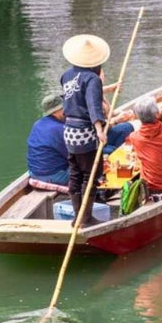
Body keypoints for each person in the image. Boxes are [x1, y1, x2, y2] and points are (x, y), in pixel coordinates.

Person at [26, 93, 132, 188]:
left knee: (124, 129)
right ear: (57, 112)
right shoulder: (59, 129)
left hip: (37, 171)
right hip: (55, 174)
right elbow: (77, 156)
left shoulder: (38, 124)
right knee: (108, 152)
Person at [59, 33, 112, 223]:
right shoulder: (92, 78)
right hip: (84, 132)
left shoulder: (67, 75)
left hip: (69, 130)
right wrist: (99, 129)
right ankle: (86, 217)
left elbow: (72, 98)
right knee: (90, 174)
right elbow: (92, 105)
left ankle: (77, 216)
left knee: (75, 173)